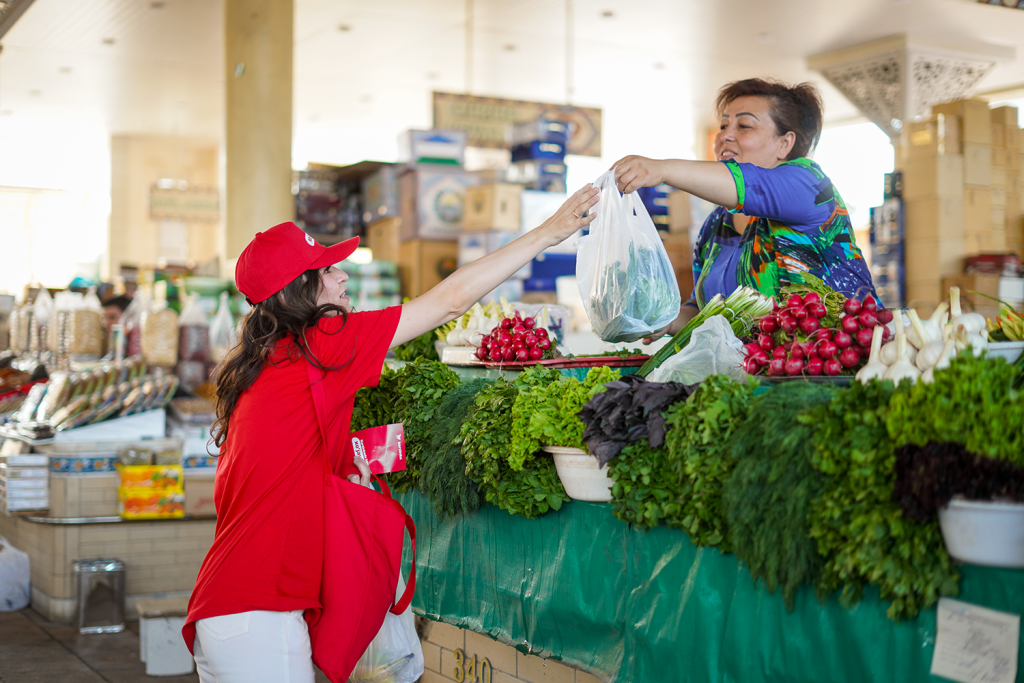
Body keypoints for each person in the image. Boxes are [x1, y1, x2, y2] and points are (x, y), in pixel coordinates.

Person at [182, 185, 599, 682]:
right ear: (301, 290)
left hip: (229, 606)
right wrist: (549, 233)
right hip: (257, 615)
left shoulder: (267, 364)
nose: (342, 277)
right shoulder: (323, 345)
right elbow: (448, 302)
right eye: (329, 270)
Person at [613, 78, 877, 341]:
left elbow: (750, 183)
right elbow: (704, 312)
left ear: (785, 144)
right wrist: (666, 321)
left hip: (838, 365)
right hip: (756, 376)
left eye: (744, 126)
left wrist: (662, 169)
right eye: (724, 125)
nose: (725, 135)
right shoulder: (717, 224)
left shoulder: (810, 186)